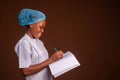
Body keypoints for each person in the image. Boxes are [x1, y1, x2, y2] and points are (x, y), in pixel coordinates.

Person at [14, 8, 64, 80]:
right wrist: (51, 60)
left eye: (43, 28)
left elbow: (43, 62)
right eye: (41, 27)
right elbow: (25, 71)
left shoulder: (39, 42)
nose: (43, 30)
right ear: (31, 24)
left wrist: (56, 58)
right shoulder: (24, 43)